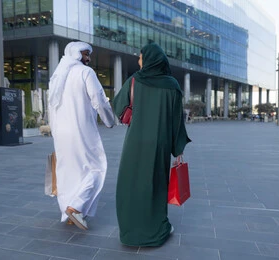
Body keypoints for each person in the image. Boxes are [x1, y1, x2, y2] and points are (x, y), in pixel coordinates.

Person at [113, 43, 191, 247]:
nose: (139, 61)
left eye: (141, 58)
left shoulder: (135, 81)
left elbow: (118, 106)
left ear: (149, 60)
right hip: (160, 145)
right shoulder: (173, 86)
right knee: (156, 186)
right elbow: (177, 121)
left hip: (135, 144)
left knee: (130, 185)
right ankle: (157, 229)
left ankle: (130, 232)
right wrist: (178, 148)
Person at [47, 41, 115, 230]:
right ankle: (75, 208)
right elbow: (99, 99)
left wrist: (54, 131)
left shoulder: (56, 76)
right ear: (76, 54)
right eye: (86, 54)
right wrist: (110, 121)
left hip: (61, 133)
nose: (89, 58)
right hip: (81, 130)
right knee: (96, 167)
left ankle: (70, 213)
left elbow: (50, 107)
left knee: (69, 172)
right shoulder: (85, 73)